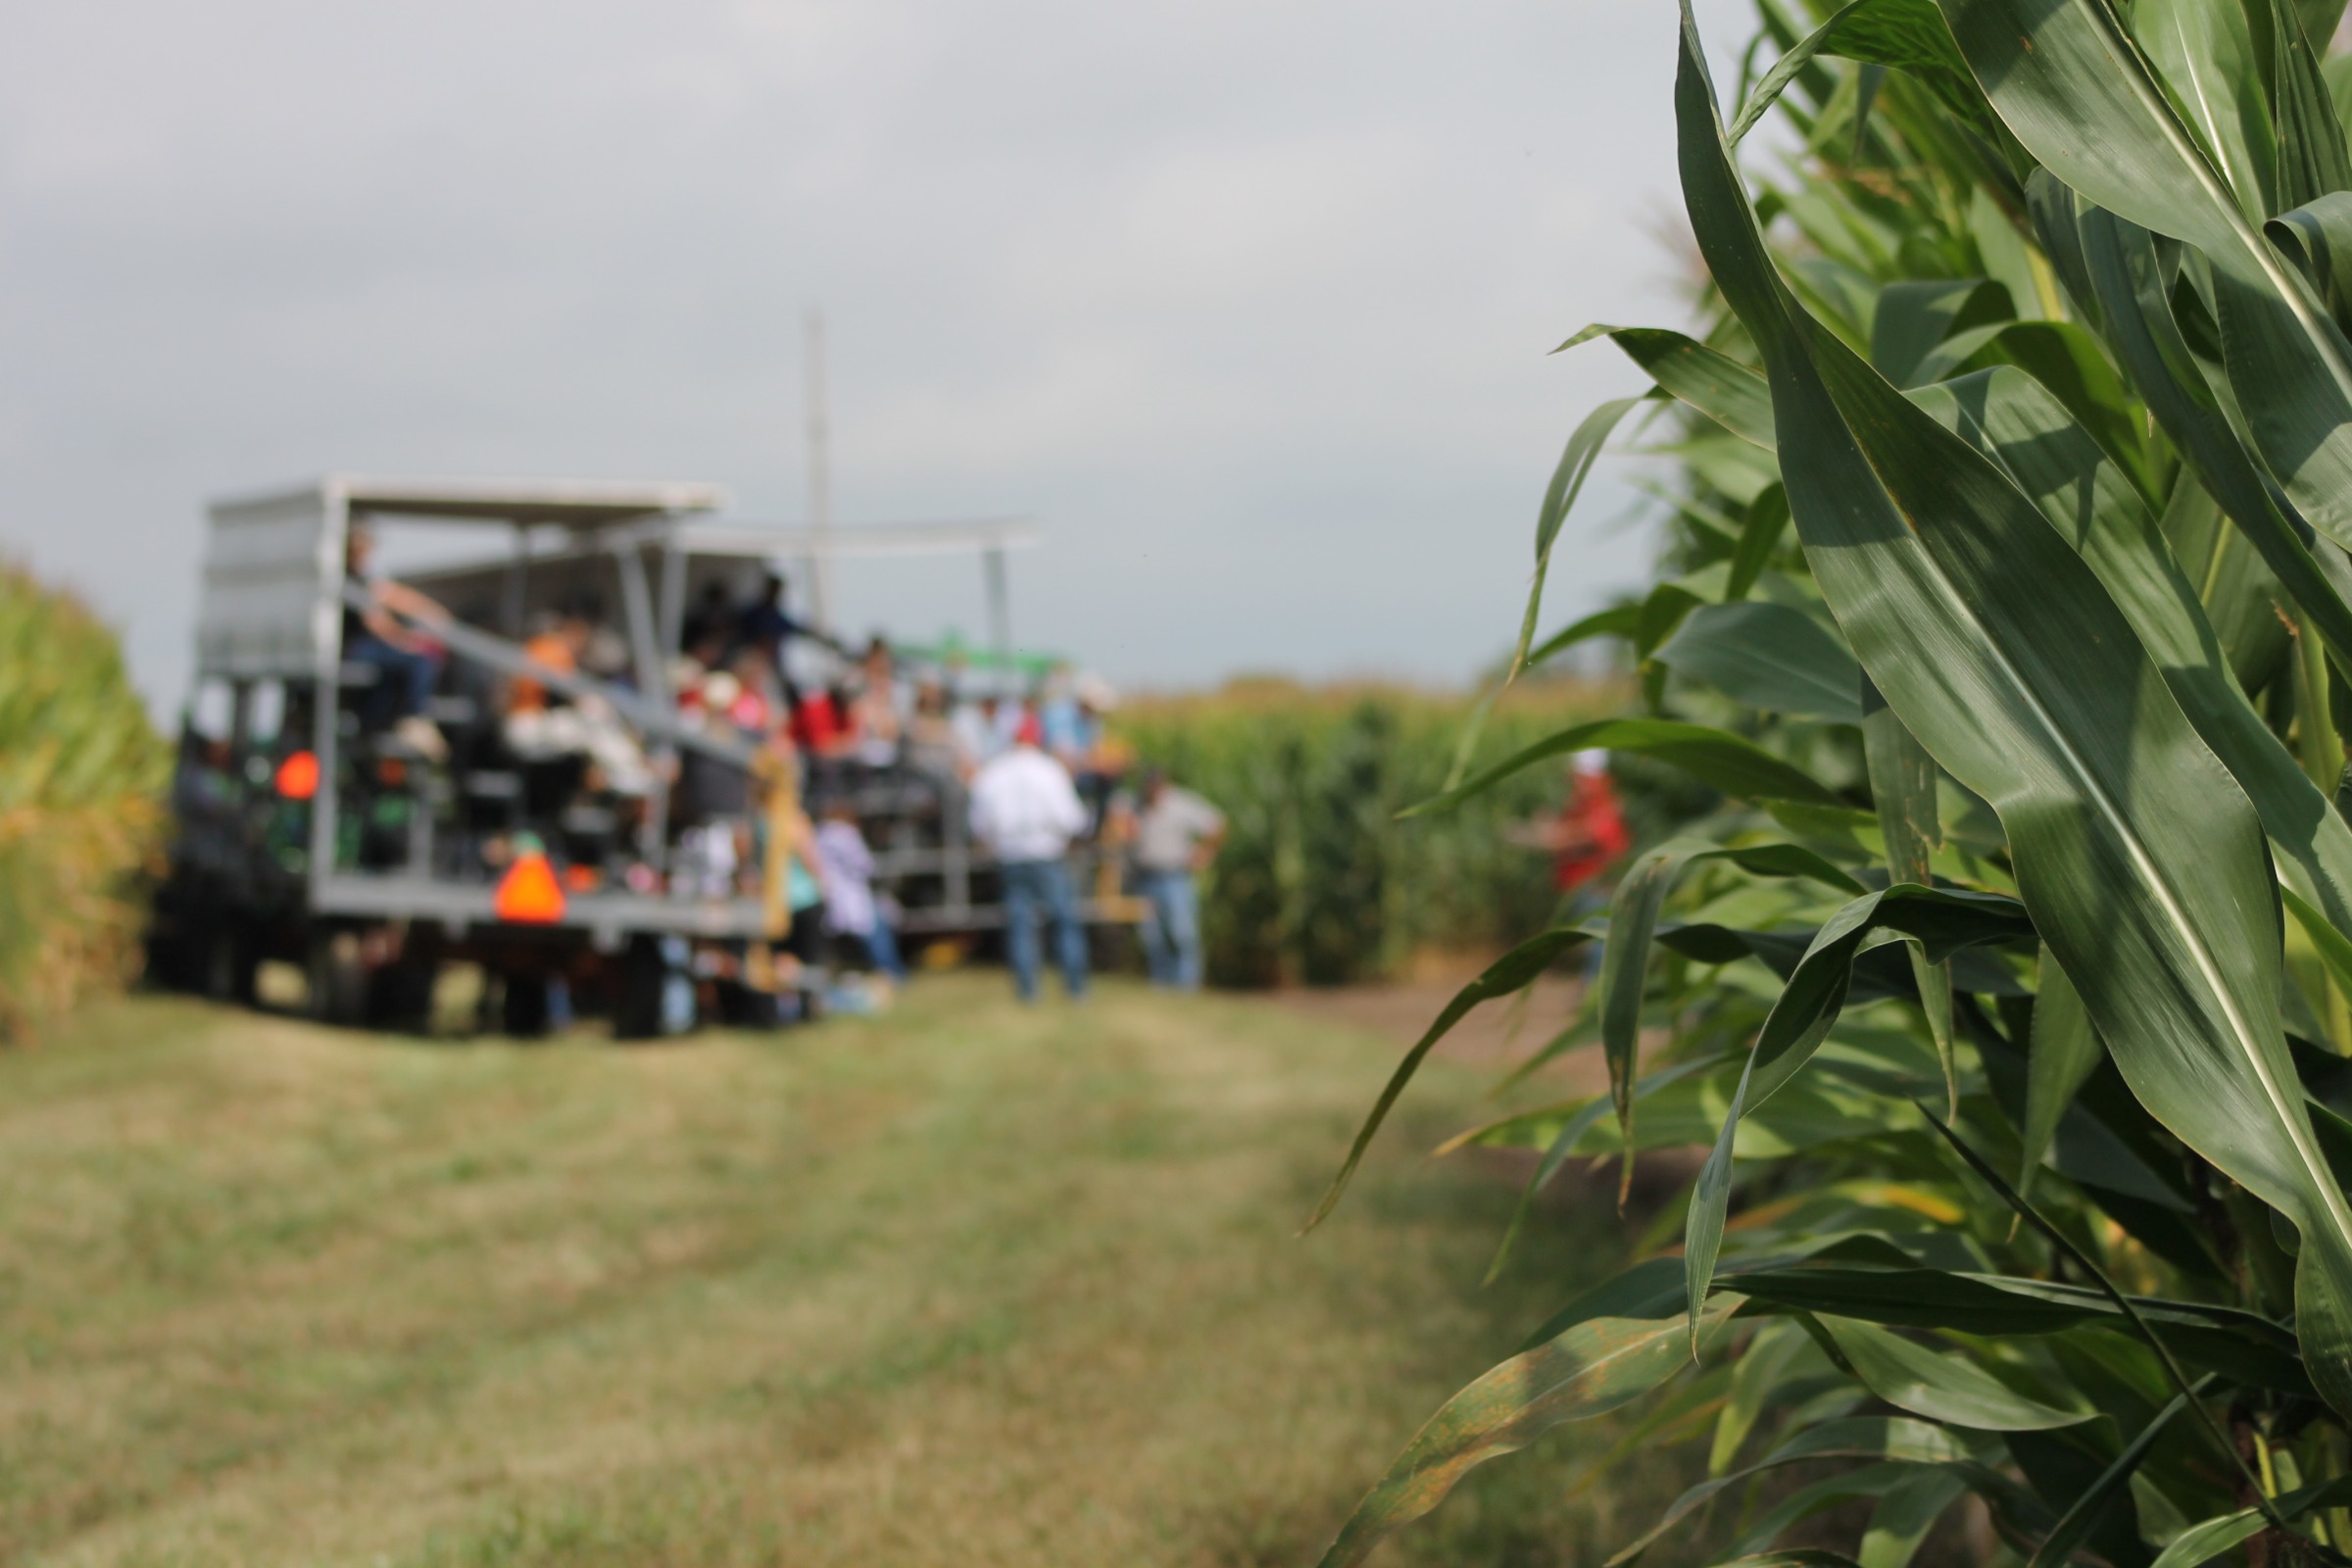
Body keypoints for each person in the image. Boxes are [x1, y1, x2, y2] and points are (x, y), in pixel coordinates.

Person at [969, 712, 1090, 1002]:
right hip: (1047, 853)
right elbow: (1072, 819)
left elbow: (978, 824)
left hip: (1010, 855)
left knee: (1020, 925)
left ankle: (1028, 992)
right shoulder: (1050, 770)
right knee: (1064, 921)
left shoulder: (993, 772)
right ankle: (1075, 988)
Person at [341, 521, 451, 761]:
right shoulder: (347, 578)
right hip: (353, 649)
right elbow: (376, 621)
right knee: (420, 660)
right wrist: (406, 640)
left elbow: (396, 597)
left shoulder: (361, 576)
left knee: (399, 670)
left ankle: (380, 721)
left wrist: (435, 615)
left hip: (364, 649)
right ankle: (413, 720)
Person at [1130, 769, 1225, 991]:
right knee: (1152, 936)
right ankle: (1161, 983)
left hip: (1175, 877)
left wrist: (1205, 852)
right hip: (1145, 876)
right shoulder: (1136, 805)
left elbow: (1217, 823)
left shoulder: (1181, 803)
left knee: (1182, 932)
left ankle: (1187, 984)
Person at [814, 798, 906, 983]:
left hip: (830, 893)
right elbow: (865, 865)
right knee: (878, 935)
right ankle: (893, 973)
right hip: (853, 894)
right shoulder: (846, 834)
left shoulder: (818, 834)